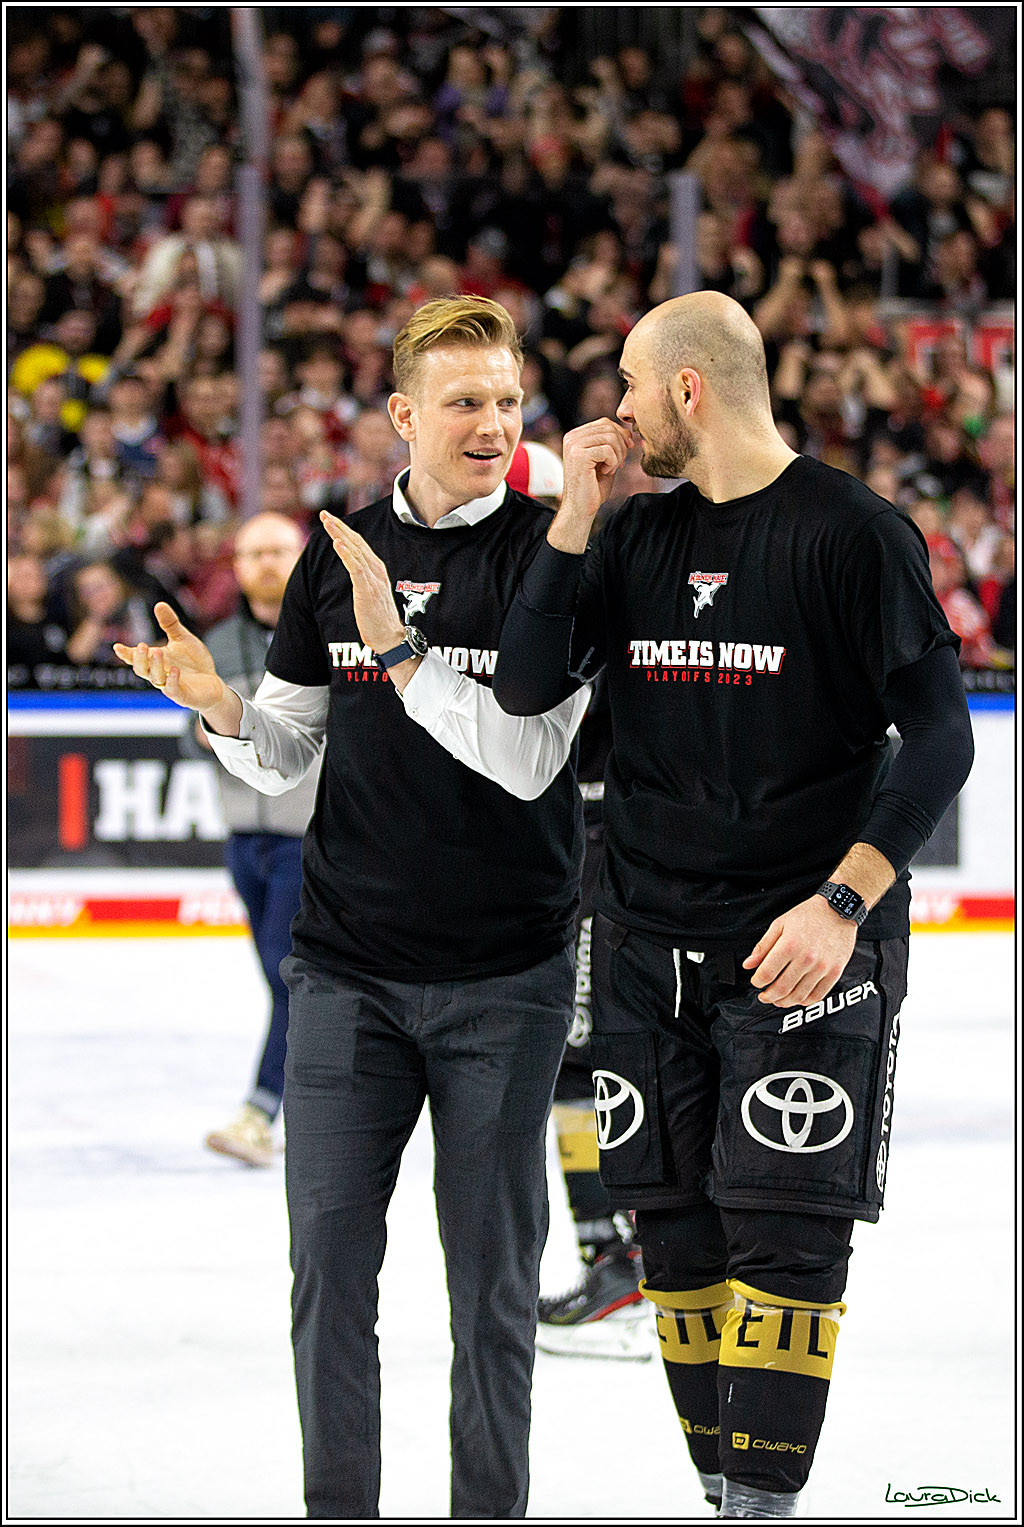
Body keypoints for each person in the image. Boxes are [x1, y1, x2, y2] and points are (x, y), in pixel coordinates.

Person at [493, 291, 975, 1518]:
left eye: (629, 387)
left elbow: (936, 745)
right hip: (647, 940)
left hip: (803, 944)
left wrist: (840, 906)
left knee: (786, 1240)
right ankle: (722, 1493)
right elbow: (529, 687)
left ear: (687, 390)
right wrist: (573, 521)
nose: (617, 410)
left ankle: (762, 1504)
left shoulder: (854, 532)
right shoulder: (632, 537)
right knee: (679, 1245)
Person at [112, 295, 590, 1520]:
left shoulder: (557, 555)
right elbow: (286, 753)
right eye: (463, 401)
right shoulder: (335, 550)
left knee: (490, 1289)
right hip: (346, 975)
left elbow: (532, 761)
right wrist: (219, 707)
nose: (491, 424)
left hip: (508, 978)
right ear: (401, 415)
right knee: (327, 1271)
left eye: (505, 399)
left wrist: (402, 655)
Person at [185, 512, 320, 1167]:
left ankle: (260, 1108)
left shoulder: (330, 632)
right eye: (255, 551)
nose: (267, 562)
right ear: (236, 564)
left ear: (301, 558)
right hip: (245, 838)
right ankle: (315, 1089)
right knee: (283, 977)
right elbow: (197, 731)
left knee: (290, 975)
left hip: (306, 836)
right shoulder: (214, 643)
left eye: (279, 550)